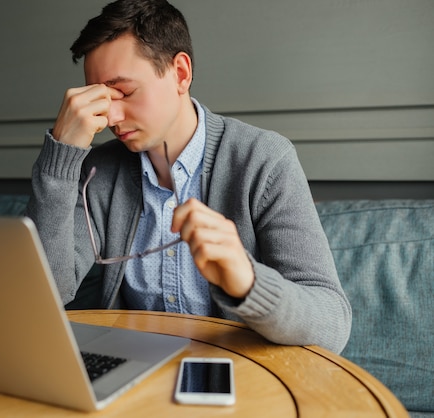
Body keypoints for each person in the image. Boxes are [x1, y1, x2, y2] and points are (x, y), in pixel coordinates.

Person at [26, 0, 351, 353]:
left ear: (180, 73)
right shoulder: (98, 171)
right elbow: (42, 294)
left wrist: (248, 282)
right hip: (132, 370)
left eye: (124, 92)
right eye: (100, 99)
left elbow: (331, 323)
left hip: (242, 374)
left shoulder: (263, 159)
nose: (112, 117)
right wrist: (60, 154)